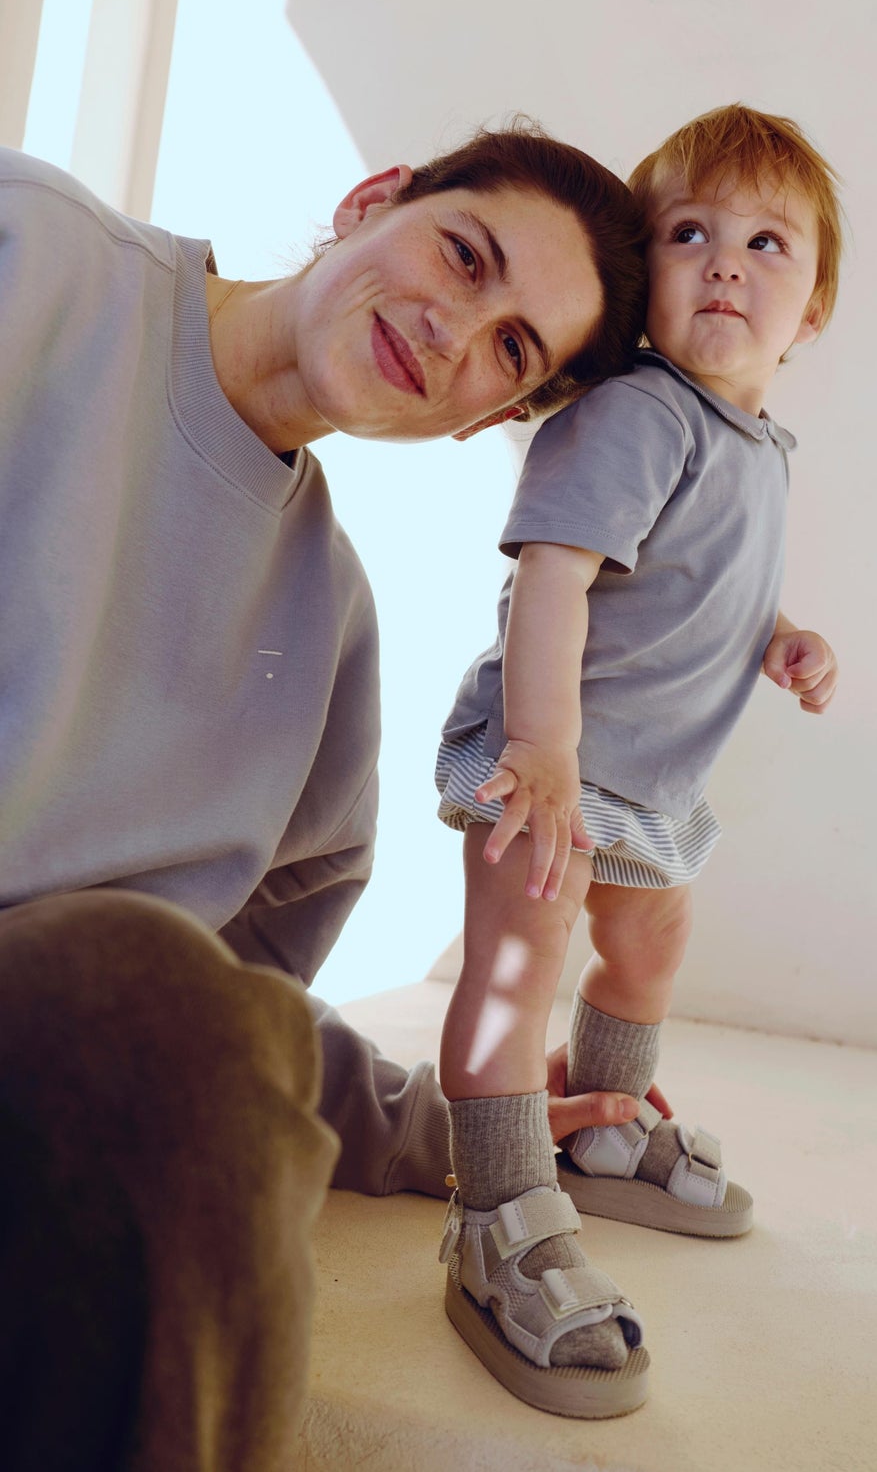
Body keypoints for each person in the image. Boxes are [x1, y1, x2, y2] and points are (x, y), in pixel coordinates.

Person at [0, 123, 651, 1472]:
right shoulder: (38, 259)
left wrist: (467, 1124)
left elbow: (223, 1018)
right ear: (370, 201)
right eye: (462, 256)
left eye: (514, 352)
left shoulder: (329, 630)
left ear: (488, 419)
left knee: (141, 991)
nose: (459, 329)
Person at [434, 104, 842, 1418]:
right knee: (515, 971)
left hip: (654, 791)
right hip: (553, 767)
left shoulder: (759, 451)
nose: (727, 264)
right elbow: (553, 576)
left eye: (768, 243)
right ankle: (496, 1205)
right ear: (641, 278)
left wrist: (778, 639)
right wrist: (542, 751)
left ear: (812, 308)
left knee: (647, 949)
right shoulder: (637, 416)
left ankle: (605, 1118)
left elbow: (692, 583)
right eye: (690, 234)